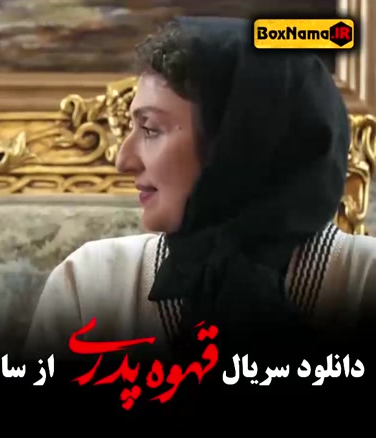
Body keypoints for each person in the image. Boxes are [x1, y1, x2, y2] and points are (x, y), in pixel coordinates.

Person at [24, 17, 376, 364]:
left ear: (239, 142)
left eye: (150, 129)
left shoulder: (365, 279)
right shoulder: (91, 282)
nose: (123, 161)